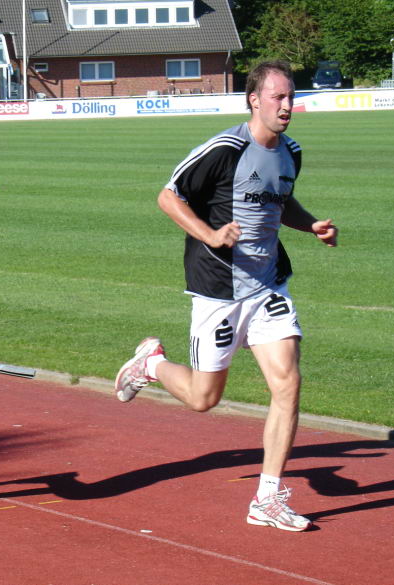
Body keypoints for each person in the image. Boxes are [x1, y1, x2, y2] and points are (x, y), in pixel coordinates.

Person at [114, 60, 337, 532]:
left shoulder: (291, 152)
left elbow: (281, 201)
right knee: (203, 398)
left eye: (292, 96)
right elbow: (168, 197)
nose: (288, 106)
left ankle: (267, 498)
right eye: (278, 97)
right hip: (219, 288)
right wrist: (211, 235)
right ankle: (150, 364)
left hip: (269, 285)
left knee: (288, 383)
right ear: (254, 100)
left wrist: (311, 224)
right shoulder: (224, 149)